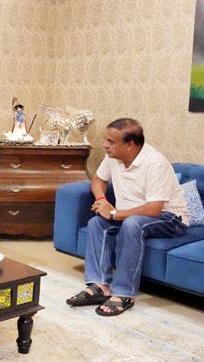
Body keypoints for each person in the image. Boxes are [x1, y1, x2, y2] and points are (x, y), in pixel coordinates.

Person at [66, 118, 190, 316]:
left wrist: (114, 213)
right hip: (133, 215)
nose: (105, 145)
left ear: (130, 145)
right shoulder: (113, 157)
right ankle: (100, 286)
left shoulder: (155, 163)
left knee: (132, 224)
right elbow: (98, 179)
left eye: (111, 142)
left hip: (171, 218)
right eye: (106, 140)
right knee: (97, 222)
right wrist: (102, 200)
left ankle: (125, 293)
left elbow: (154, 209)